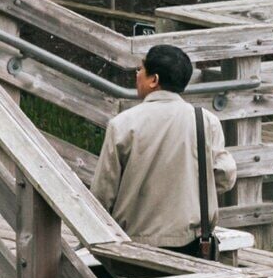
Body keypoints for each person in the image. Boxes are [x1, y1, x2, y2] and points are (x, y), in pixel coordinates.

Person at [92, 43, 231, 252]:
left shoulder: (122, 125)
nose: (137, 75)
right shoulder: (206, 121)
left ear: (154, 80)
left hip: (132, 246)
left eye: (141, 70)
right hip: (193, 243)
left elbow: (103, 193)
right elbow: (225, 176)